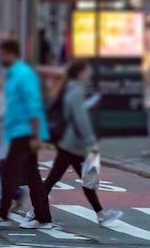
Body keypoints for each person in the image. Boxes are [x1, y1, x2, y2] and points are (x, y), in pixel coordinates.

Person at [38, 60, 122, 226]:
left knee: (82, 177)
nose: (89, 75)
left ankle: (101, 214)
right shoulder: (75, 91)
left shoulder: (71, 89)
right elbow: (80, 119)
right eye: (87, 71)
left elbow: (75, 112)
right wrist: (91, 143)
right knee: (66, 178)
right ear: (80, 73)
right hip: (75, 143)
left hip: (71, 142)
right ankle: (35, 210)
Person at [0, 39, 52, 229]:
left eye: (2, 54)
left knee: (9, 170)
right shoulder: (12, 75)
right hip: (16, 131)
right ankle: (41, 217)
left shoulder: (23, 74)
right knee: (30, 175)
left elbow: (33, 104)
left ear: (12, 53)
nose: (0, 58)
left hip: (25, 131)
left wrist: (35, 136)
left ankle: (3, 213)